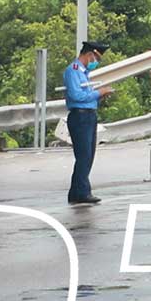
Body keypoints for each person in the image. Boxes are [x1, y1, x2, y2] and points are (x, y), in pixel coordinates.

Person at [64, 41, 108, 204]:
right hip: (80, 116)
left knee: (88, 155)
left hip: (89, 115)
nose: (95, 63)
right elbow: (76, 95)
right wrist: (98, 93)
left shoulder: (84, 73)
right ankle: (82, 192)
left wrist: (100, 96)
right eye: (96, 59)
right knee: (84, 156)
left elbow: (86, 96)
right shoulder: (73, 71)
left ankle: (76, 192)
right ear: (89, 55)